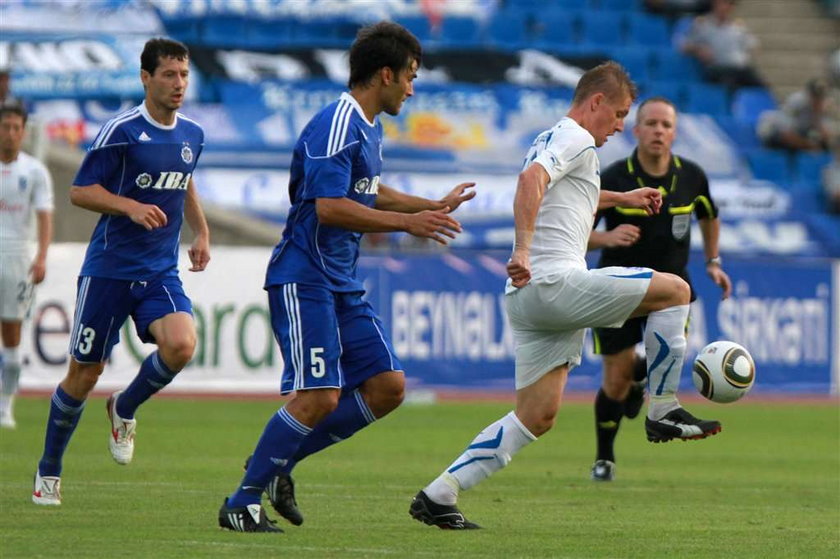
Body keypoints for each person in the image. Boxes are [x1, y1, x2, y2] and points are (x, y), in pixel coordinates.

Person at [409, 62, 721, 530]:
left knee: (537, 415)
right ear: (595, 102)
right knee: (677, 290)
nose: (620, 126)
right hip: (552, 283)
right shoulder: (573, 136)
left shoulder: (564, 142)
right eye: (618, 114)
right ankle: (662, 408)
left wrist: (623, 198)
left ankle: (439, 494)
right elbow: (529, 181)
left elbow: (568, 196)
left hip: (533, 300)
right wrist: (522, 250)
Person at [218, 21, 476, 534]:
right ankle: (241, 501)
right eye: (410, 76)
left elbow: (368, 190)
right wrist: (409, 223)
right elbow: (332, 207)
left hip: (340, 280)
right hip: (304, 276)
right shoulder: (336, 123)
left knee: (387, 386)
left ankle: (277, 464)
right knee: (319, 397)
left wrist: (430, 203)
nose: (412, 87)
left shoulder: (369, 125)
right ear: (385, 73)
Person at [32, 38, 210, 506]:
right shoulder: (122, 131)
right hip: (109, 271)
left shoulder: (192, 133)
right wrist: (129, 206)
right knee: (83, 375)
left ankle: (124, 406)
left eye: (184, 75)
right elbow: (80, 190)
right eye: (169, 75)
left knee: (182, 344)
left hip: (158, 270)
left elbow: (185, 179)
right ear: (145, 78)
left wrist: (202, 232)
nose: (178, 84)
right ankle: (49, 469)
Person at [586, 97, 732, 482]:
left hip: (669, 297)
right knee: (616, 381)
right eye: (650, 123)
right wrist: (607, 236)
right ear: (636, 130)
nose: (658, 130)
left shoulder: (692, 177)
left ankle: (643, 378)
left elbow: (709, 216)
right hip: (616, 292)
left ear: (674, 132)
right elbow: (573, 233)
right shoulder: (615, 177)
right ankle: (604, 457)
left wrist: (713, 262)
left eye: (665, 125)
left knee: (661, 367)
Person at [0, 105, 54, 429]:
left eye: (14, 127)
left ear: (23, 131)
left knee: (12, 334)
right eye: (4, 126)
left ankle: (6, 405)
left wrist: (43, 255)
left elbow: (45, 215)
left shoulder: (34, 171)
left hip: (17, 256)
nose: (9, 133)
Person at [680, 0, 763, 91]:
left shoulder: (738, 26)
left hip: (739, 68)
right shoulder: (703, 24)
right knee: (729, 83)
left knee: (758, 83)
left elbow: (752, 44)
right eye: (724, 3)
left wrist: (751, 52)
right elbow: (685, 46)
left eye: (730, 4)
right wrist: (698, 49)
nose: (727, 7)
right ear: (716, 4)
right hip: (718, 67)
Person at [758, 78, 834, 152]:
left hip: (799, 133)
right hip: (774, 131)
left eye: (820, 97)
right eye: (815, 97)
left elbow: (827, 136)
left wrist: (817, 115)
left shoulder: (823, 105)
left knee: (823, 145)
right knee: (788, 144)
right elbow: (785, 134)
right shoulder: (796, 102)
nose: (817, 100)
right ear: (808, 94)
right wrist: (808, 145)